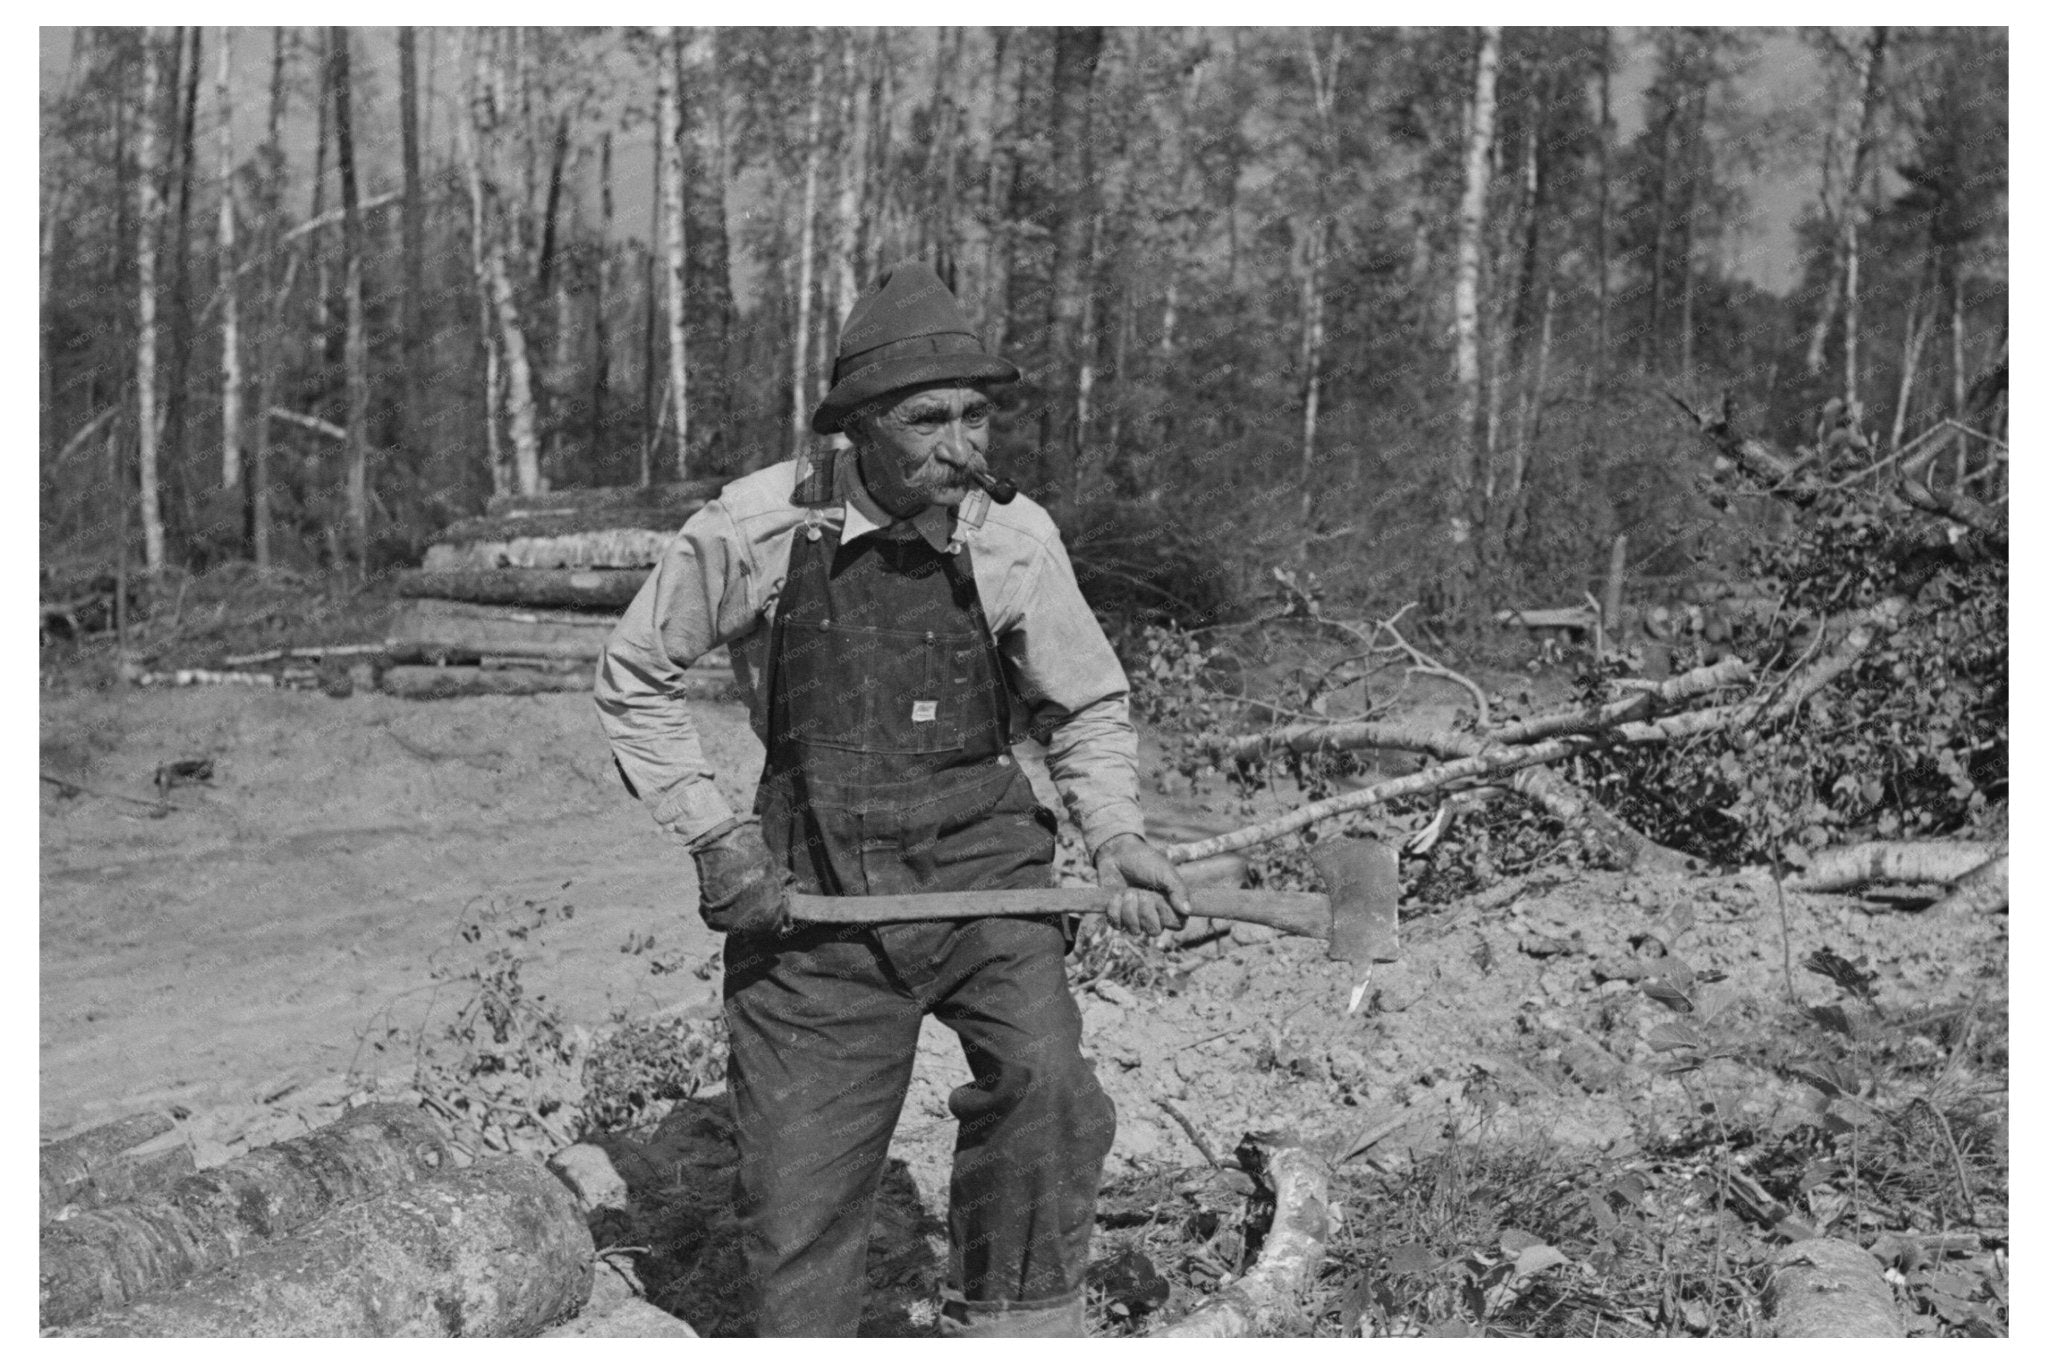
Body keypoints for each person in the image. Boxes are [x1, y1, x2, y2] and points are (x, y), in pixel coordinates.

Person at [595, 261, 1191, 1337]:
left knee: (1049, 1085)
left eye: (976, 415)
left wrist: (1115, 835)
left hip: (984, 878)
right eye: (928, 420)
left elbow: (1087, 705)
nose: (962, 447)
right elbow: (635, 673)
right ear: (858, 427)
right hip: (813, 899)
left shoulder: (1012, 536)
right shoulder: (756, 527)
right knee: (795, 1206)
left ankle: (1015, 1329)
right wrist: (715, 835)